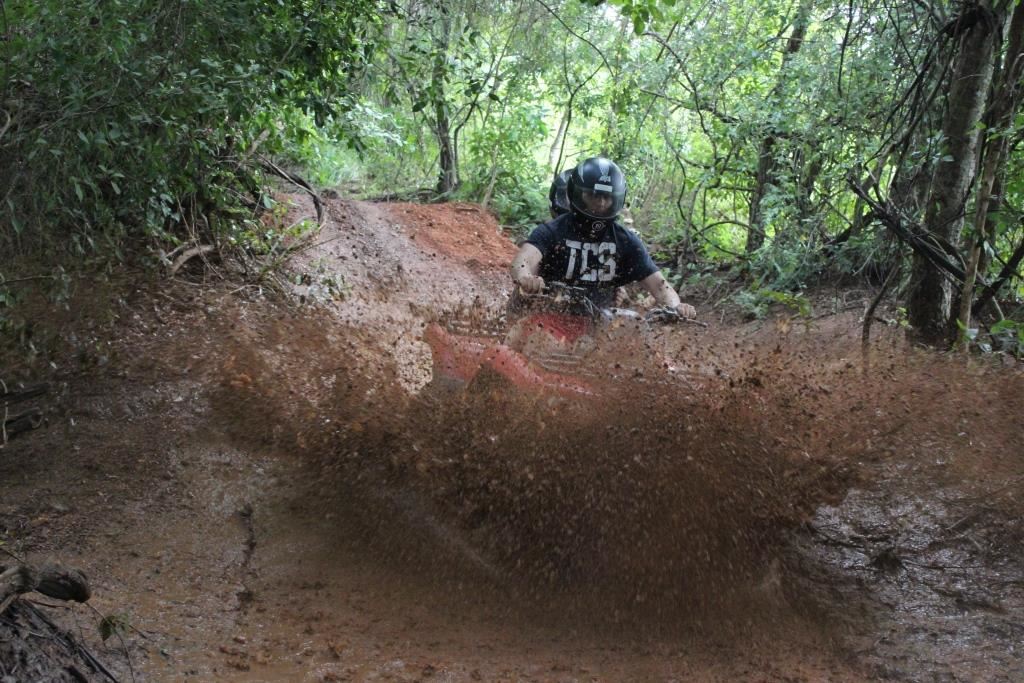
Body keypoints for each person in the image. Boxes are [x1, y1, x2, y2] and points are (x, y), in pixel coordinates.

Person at [511, 156, 697, 318]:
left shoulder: (626, 241)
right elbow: (523, 260)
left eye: (606, 197)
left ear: (617, 199)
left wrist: (676, 307)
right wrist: (526, 278)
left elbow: (659, 285)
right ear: (577, 194)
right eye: (594, 195)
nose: (600, 203)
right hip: (544, 314)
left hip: (598, 325)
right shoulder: (552, 231)